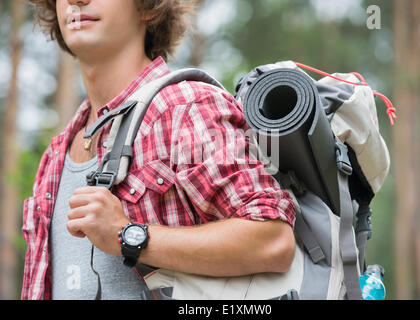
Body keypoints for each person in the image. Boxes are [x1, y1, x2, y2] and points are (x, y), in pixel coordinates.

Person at [22, 0, 296, 300]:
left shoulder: (185, 107)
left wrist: (127, 235)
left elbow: (273, 240)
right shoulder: (56, 153)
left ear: (148, 8)